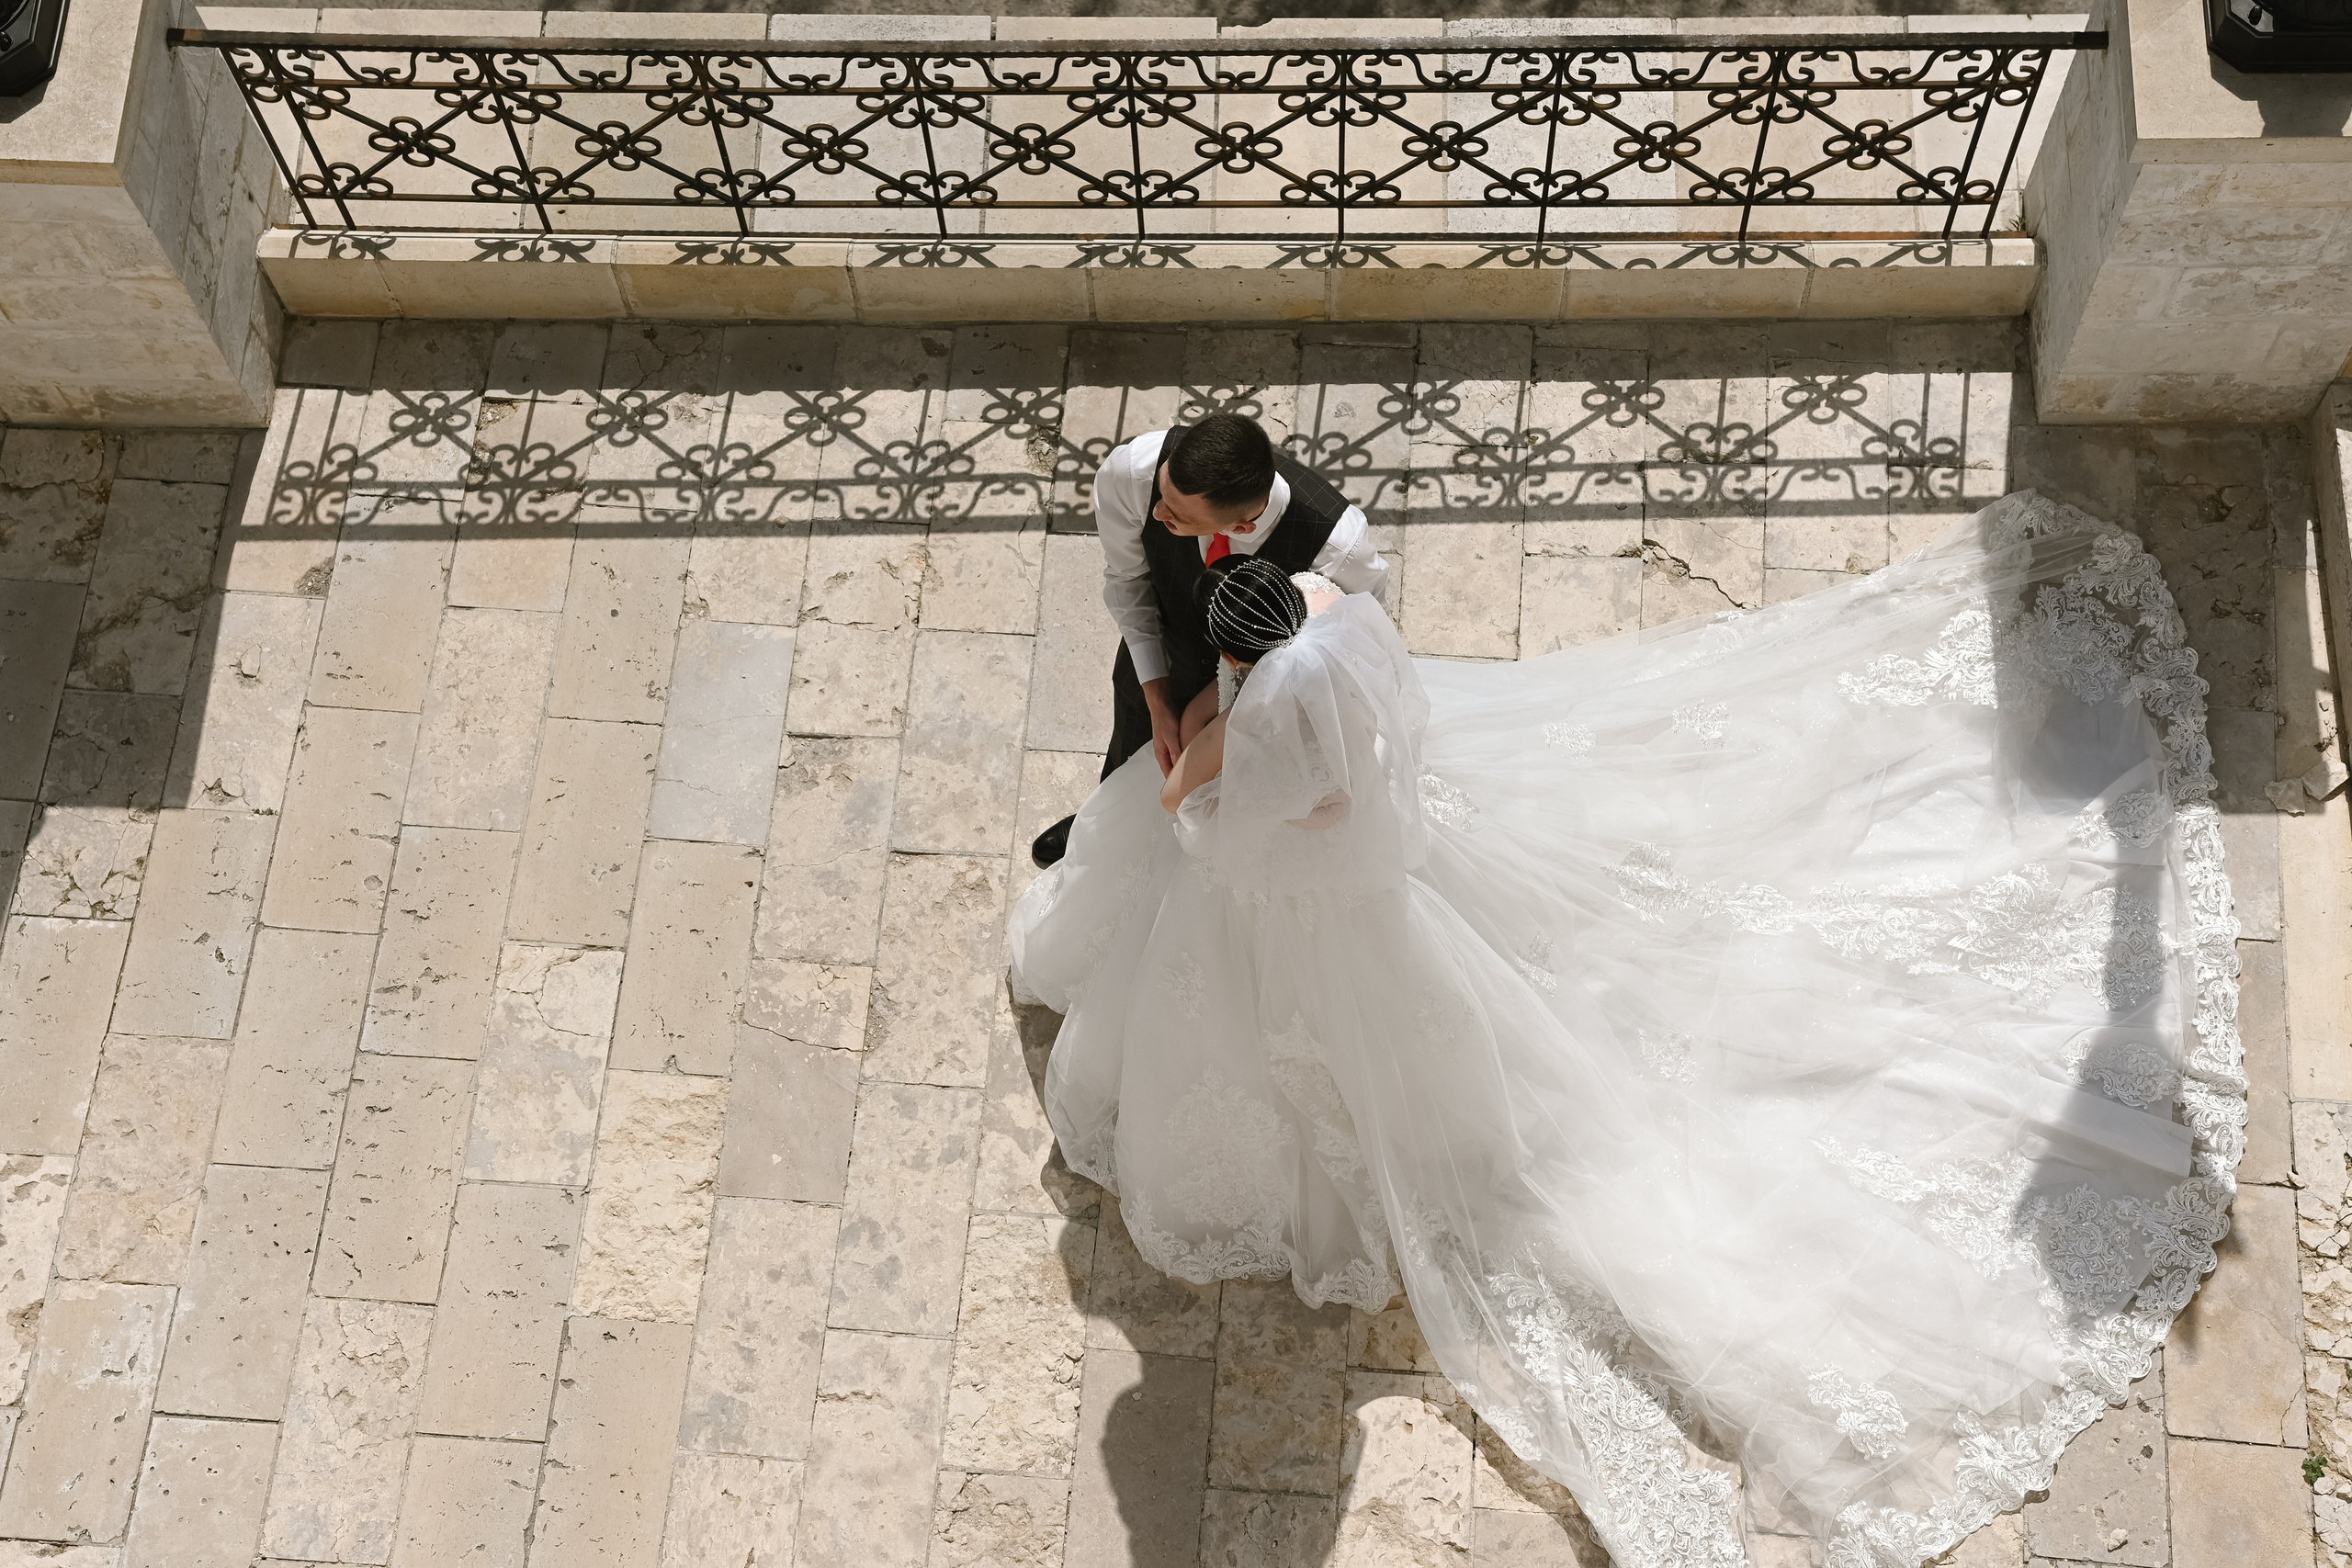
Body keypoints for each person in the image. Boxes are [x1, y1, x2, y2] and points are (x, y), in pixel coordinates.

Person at [1009, 495, 2244, 1568]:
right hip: (1406, 838)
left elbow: (1196, 812)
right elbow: (1370, 750)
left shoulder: (1246, 721)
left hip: (1312, 901)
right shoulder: (1338, 615)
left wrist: (1196, 738)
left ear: (1240, 651)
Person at [1027, 411, 1389, 868]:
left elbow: (1360, 636)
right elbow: (1127, 580)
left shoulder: (1338, 546)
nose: (1158, 513)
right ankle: (1106, 826)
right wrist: (1157, 698)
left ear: (1239, 528)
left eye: (1176, 516)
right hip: (1161, 649)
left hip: (1266, 695)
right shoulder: (1134, 471)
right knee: (1132, 743)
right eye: (1163, 494)